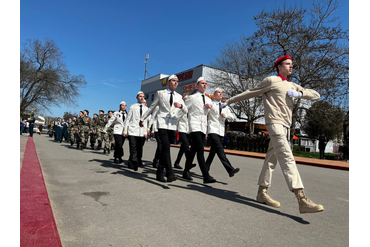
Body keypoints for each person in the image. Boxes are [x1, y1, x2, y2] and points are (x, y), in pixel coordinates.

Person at [225, 55, 324, 214]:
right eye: (287, 64)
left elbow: (316, 95)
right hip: (274, 123)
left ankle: (261, 193)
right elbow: (250, 92)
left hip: (286, 127)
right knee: (287, 156)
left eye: (292, 64)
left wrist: (300, 94)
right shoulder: (271, 81)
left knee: (271, 159)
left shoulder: (292, 85)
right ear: (279, 66)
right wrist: (229, 101)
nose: (291, 67)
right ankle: (301, 198)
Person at [140, 75, 188, 182]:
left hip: (172, 124)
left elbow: (186, 110)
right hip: (162, 124)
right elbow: (152, 107)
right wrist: (142, 118)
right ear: (168, 82)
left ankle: (159, 172)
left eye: (177, 81)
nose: (175, 83)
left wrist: (180, 106)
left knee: (165, 149)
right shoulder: (160, 93)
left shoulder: (179, 96)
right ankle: (170, 172)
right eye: (173, 81)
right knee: (165, 146)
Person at [182, 77, 216, 184]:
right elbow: (185, 110)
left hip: (202, 128)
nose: (204, 85)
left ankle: (186, 171)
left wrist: (210, 107)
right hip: (194, 125)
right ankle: (206, 175)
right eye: (202, 83)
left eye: (206, 83)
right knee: (200, 150)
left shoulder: (208, 99)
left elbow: (213, 114)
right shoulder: (192, 98)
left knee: (193, 150)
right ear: (197, 85)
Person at [206, 88, 240, 177]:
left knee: (213, 151)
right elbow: (205, 112)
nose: (221, 94)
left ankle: (205, 168)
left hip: (220, 131)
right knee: (220, 150)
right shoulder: (211, 104)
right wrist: (206, 107)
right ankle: (230, 169)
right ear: (214, 94)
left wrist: (226, 116)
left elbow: (232, 117)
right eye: (218, 92)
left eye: (222, 92)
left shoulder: (225, 106)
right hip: (212, 130)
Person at [124, 92, 148, 171]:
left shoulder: (146, 109)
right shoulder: (132, 107)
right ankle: (134, 161)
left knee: (138, 148)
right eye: (140, 96)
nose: (142, 98)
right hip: (132, 130)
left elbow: (146, 122)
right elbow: (128, 119)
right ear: (137, 97)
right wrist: (125, 130)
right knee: (133, 147)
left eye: (143, 97)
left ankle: (131, 162)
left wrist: (145, 132)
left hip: (141, 131)